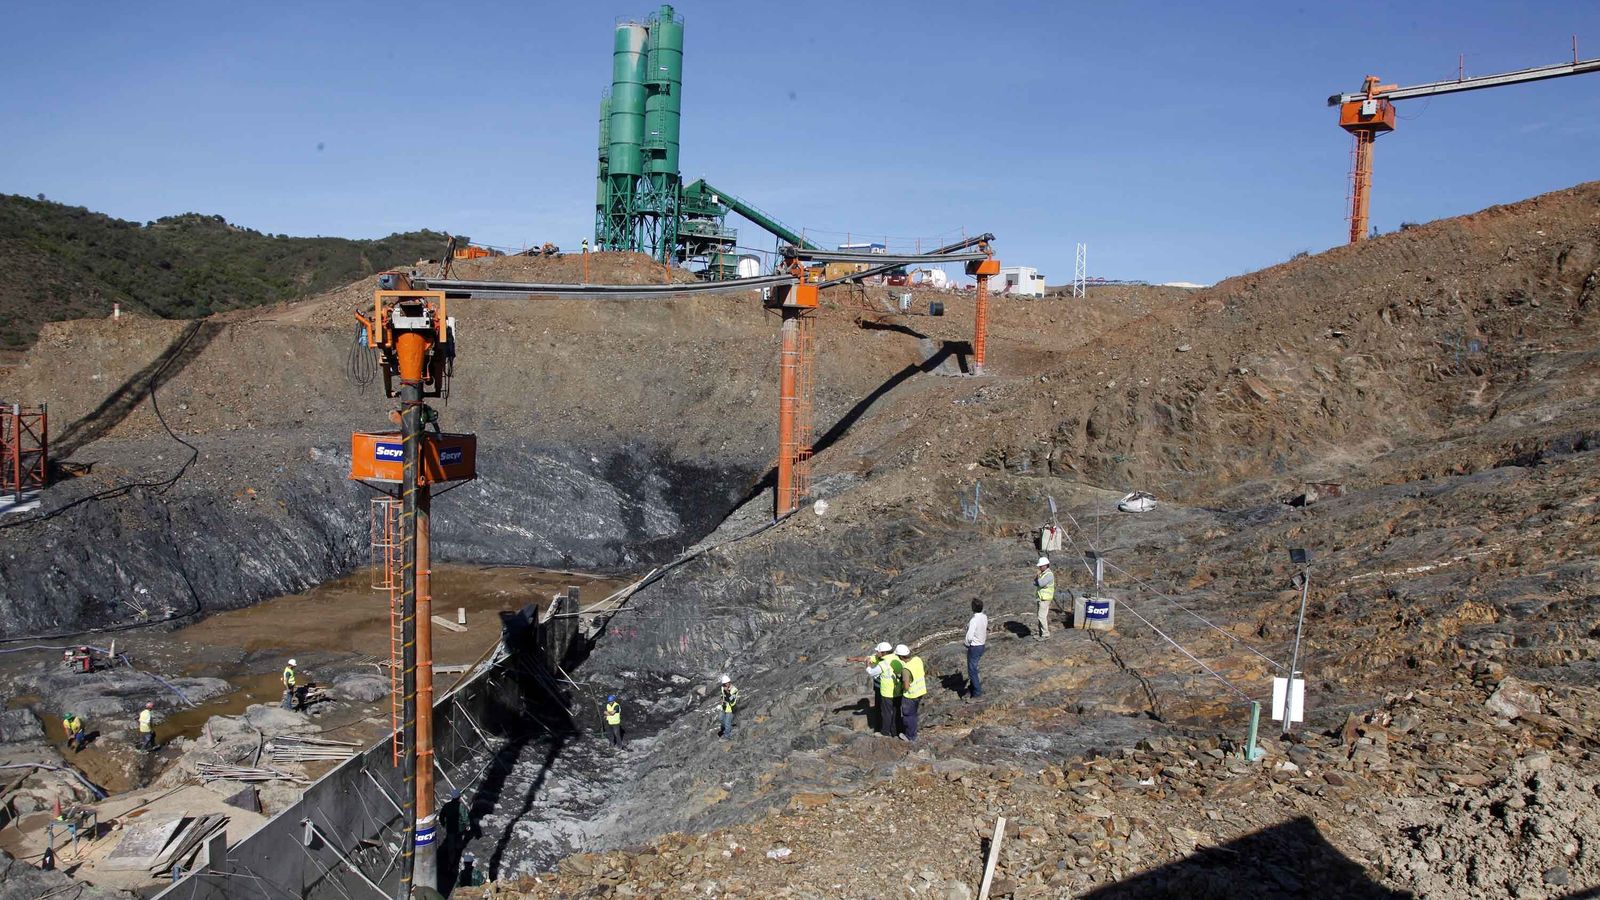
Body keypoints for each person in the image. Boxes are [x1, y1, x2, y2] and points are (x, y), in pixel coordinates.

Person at [865, 642, 901, 737]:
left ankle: (885, 732)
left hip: (887, 692)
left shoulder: (884, 663)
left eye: (878, 652)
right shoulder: (896, 658)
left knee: (886, 713)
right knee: (896, 712)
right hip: (897, 691)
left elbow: (872, 673)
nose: (877, 653)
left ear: (883, 652)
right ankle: (895, 732)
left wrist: (867, 665)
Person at [897, 644, 927, 742]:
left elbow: (906, 686)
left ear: (901, 657)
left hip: (910, 695)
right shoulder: (917, 659)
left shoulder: (906, 669)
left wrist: (900, 685)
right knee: (913, 714)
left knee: (908, 715)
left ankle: (910, 736)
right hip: (920, 691)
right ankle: (913, 733)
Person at [964, 599, 988, 699]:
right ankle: (974, 686)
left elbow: (969, 636)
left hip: (974, 646)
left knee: (972, 670)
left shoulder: (974, 620)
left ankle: (977, 692)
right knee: (974, 668)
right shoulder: (984, 617)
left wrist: (966, 643)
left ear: (973, 608)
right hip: (982, 644)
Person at [1034, 556, 1056, 640]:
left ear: (1046, 565)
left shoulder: (1049, 575)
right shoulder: (1043, 574)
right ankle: (1041, 633)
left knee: (1041, 616)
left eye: (1041, 566)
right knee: (1040, 616)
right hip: (1041, 598)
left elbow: (1041, 584)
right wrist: (1038, 578)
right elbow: (1035, 583)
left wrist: (1038, 576)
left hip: (1045, 599)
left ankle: (1045, 634)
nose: (1039, 567)